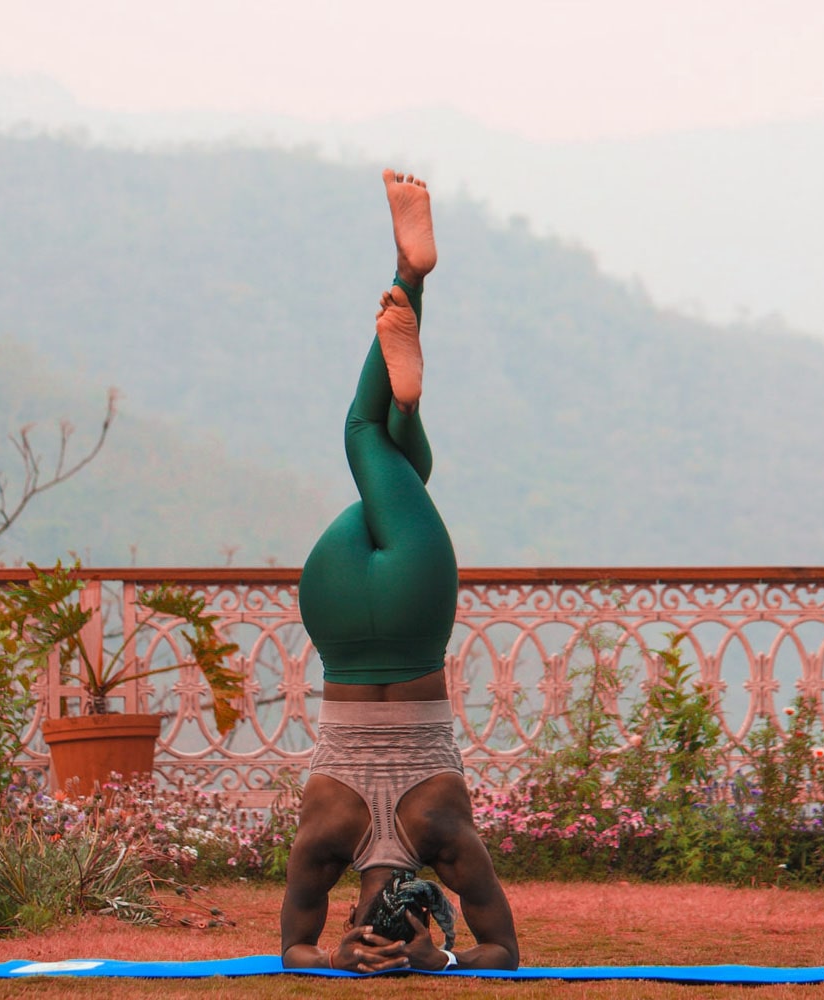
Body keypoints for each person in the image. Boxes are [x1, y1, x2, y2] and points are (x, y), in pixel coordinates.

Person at [280, 170, 520, 974]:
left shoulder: (446, 839)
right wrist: (342, 957)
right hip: (338, 609)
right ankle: (404, 382)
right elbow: (293, 949)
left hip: (414, 613)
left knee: (380, 448)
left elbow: (501, 951)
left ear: (431, 902)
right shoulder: (326, 837)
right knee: (376, 449)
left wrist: (436, 959)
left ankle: (410, 288)